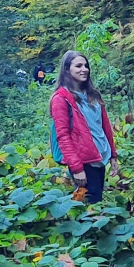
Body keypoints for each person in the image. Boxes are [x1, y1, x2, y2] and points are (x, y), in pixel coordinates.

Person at [49, 50, 117, 203]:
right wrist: (77, 168)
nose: (84, 69)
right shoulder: (61, 99)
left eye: (86, 66)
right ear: (67, 69)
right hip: (83, 160)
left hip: (100, 155)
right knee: (90, 205)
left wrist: (113, 154)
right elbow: (63, 136)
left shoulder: (93, 94)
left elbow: (104, 126)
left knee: (97, 200)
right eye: (78, 66)